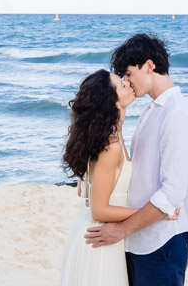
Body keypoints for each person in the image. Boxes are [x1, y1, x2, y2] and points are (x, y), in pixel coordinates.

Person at [86, 33, 188, 286]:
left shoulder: (176, 113)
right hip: (138, 240)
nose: (127, 81)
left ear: (149, 66)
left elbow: (172, 192)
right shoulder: (151, 111)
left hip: (162, 242)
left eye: (128, 73)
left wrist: (122, 229)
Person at [58, 69, 140, 285]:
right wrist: (149, 213)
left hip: (95, 233)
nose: (128, 84)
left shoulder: (108, 137)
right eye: (121, 85)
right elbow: (99, 209)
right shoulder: (110, 146)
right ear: (111, 102)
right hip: (98, 239)